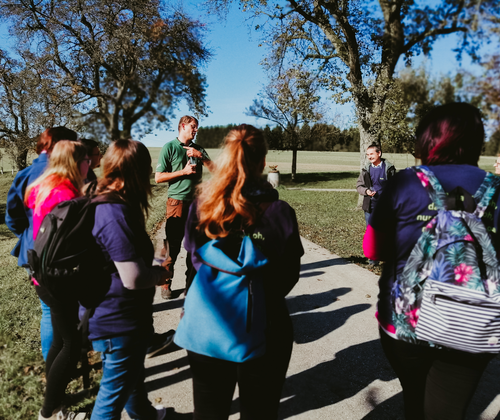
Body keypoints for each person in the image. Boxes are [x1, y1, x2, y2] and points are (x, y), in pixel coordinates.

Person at [363, 102, 500, 420]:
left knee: (414, 398)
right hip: (472, 325)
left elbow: (372, 249)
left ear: (427, 140)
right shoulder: (496, 189)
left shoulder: (405, 182)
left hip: (406, 322)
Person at [183, 124, 304, 419]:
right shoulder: (280, 212)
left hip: (209, 323)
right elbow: (288, 275)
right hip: (266, 326)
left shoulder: (202, 205)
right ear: (262, 162)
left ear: (226, 156)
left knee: (208, 412)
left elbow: (194, 259)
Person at [83, 139, 170, 420]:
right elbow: (133, 278)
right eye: (146, 168)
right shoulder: (114, 212)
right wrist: (160, 274)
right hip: (116, 320)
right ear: (137, 171)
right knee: (111, 399)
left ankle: (145, 415)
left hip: (116, 316)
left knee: (132, 374)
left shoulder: (104, 200)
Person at [25, 140, 90, 420]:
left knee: (60, 341)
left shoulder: (44, 186)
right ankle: (48, 412)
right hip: (59, 278)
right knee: (72, 345)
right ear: (75, 163)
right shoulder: (66, 195)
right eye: (86, 160)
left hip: (42, 273)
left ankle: (54, 403)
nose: (89, 164)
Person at [5, 126, 78, 361]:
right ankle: (63, 362)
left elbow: (12, 217)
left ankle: (53, 363)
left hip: (32, 251)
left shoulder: (25, 174)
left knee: (48, 310)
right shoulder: (68, 172)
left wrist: (29, 236)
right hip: (64, 254)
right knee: (63, 309)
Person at [155, 115, 213, 299]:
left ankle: (191, 284)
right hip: (176, 202)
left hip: (197, 204)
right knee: (172, 245)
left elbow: (216, 170)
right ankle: (165, 283)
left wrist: (201, 156)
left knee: (195, 246)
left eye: (197, 127)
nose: (196, 130)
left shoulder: (199, 149)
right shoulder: (170, 147)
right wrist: (183, 172)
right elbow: (158, 177)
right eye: (193, 126)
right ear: (182, 126)